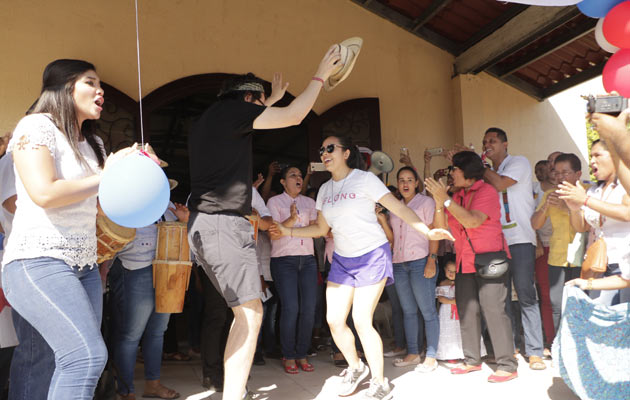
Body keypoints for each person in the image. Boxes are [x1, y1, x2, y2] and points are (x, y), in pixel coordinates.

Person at [187, 45, 341, 400]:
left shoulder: (212, 119)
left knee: (244, 313)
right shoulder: (233, 113)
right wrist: (319, 74)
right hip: (223, 225)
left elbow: (254, 116)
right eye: (259, 103)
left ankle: (234, 391)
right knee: (251, 315)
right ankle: (233, 395)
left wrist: (268, 100)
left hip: (207, 226)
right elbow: (295, 115)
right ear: (247, 99)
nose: (260, 110)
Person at [269, 135, 453, 399]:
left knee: (361, 320)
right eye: (322, 149)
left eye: (330, 148)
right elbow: (322, 228)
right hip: (343, 259)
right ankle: (356, 367)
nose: (324, 152)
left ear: (346, 153)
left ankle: (380, 382)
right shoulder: (324, 191)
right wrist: (287, 230)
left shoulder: (365, 179)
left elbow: (399, 210)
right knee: (334, 320)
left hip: (371, 255)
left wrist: (427, 231)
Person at [0, 59, 128, 399]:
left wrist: (135, 172)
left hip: (84, 267)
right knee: (84, 357)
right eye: (91, 82)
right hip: (36, 262)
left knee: (61, 361)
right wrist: (106, 176)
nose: (101, 91)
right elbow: (44, 192)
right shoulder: (35, 126)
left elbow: (100, 205)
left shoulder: (95, 145)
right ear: (62, 88)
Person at [425, 151, 518, 383]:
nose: (450, 173)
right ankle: (472, 360)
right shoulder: (456, 196)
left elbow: (472, 220)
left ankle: (507, 364)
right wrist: (439, 203)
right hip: (464, 261)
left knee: (494, 310)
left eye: (453, 169)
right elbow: (441, 227)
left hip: (490, 259)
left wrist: (445, 199)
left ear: (466, 170)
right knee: (467, 311)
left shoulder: (486, 191)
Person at [109, 198, 188, 400]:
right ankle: (126, 391)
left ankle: (153, 385)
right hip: (135, 268)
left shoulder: (169, 206)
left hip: (167, 270)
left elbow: (182, 241)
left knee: (157, 331)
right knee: (131, 334)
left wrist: (184, 222)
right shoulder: (127, 201)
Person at [481, 127, 545, 370]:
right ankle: (511, 348)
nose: (488, 144)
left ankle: (535, 351)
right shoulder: (487, 172)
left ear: (505, 144)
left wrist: (480, 166)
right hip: (497, 242)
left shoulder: (518, 162)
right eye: (485, 141)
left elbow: (500, 184)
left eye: (493, 141)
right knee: (502, 297)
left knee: (526, 294)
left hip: (519, 238)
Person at [558, 139, 630, 305]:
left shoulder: (625, 186)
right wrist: (573, 207)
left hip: (624, 262)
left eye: (597, 155)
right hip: (600, 265)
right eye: (591, 156)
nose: (592, 161)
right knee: (600, 317)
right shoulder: (594, 190)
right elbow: (581, 226)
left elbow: (627, 214)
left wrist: (585, 200)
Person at [388, 167, 440, 373]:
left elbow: (433, 233)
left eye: (410, 180)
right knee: (408, 311)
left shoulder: (426, 202)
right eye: (401, 180)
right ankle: (413, 353)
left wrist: (432, 259)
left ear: (416, 183)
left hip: (420, 261)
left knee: (427, 310)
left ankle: (432, 356)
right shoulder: (395, 205)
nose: (405, 184)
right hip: (399, 263)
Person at [267, 165, 318, 373]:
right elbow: (273, 234)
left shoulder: (310, 202)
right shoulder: (274, 202)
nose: (298, 178)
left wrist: (291, 227)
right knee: (291, 308)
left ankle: (302, 353)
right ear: (282, 182)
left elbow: (316, 231)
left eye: (299, 175)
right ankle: (289, 355)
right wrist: (291, 219)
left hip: (307, 260)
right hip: (284, 260)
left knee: (308, 309)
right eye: (292, 175)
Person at [531, 153, 584, 339]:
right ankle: (558, 345)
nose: (560, 176)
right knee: (555, 304)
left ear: (578, 174)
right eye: (556, 172)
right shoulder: (549, 194)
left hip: (580, 259)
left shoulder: (587, 192)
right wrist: (546, 206)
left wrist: (568, 207)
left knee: (578, 304)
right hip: (557, 257)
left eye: (565, 172)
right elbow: (535, 224)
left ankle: (578, 345)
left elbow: (583, 226)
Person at [434, 260, 486, 361]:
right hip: (447, 313)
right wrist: (453, 301)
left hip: (461, 310)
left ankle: (464, 353)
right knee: (450, 333)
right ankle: (450, 355)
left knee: (461, 331)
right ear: (444, 270)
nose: (451, 274)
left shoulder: (462, 283)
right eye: (449, 270)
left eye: (454, 271)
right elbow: (440, 298)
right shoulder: (443, 283)